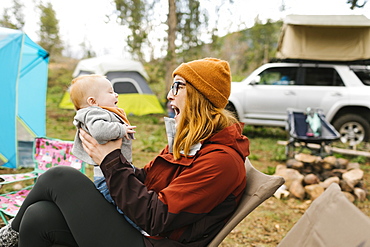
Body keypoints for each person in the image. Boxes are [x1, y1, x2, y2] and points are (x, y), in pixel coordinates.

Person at [0, 57, 250, 247]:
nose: (168, 95)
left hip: (150, 240)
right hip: (138, 229)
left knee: (61, 177)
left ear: (199, 96)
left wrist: (110, 160)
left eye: (177, 86)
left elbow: (156, 218)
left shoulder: (221, 161)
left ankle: (7, 235)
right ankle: (11, 234)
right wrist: (111, 161)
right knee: (37, 216)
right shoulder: (191, 144)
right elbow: (145, 179)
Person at [68, 74, 146, 235]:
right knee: (125, 205)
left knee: (127, 201)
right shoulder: (93, 113)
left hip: (116, 171)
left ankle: (127, 228)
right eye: (110, 92)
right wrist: (121, 129)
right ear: (92, 101)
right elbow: (99, 131)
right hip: (107, 177)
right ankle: (138, 230)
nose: (116, 95)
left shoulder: (102, 111)